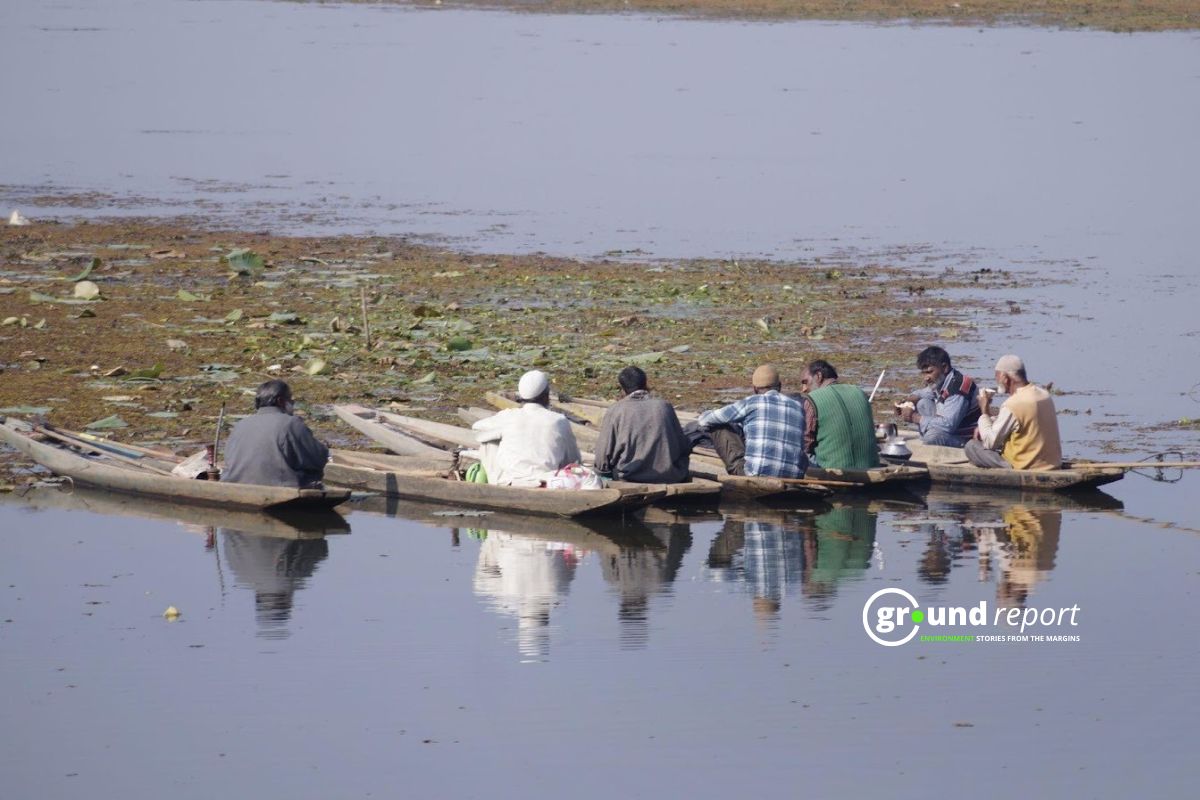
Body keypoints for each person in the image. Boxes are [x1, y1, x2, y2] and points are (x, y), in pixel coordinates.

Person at [471, 370, 582, 487]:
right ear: (546, 395)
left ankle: (495, 484)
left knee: (488, 442)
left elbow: (477, 429)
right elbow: (574, 461)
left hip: (509, 482)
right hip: (546, 481)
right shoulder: (559, 420)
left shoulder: (509, 416)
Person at [693, 364, 807, 478]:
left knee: (718, 426)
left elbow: (706, 419)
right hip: (794, 477)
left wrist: (704, 415)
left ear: (755, 389)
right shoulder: (798, 407)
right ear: (780, 386)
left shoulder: (752, 402)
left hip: (755, 475)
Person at [221, 380, 329, 487]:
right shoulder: (291, 423)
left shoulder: (240, 425)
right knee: (313, 473)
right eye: (290, 400)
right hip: (279, 488)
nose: (292, 403)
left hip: (234, 485)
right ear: (281, 401)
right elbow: (318, 459)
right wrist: (324, 448)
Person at [592, 366, 691, 483]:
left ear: (622, 389)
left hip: (630, 477)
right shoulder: (664, 406)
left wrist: (602, 473)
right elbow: (684, 446)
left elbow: (602, 457)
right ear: (646, 384)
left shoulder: (616, 410)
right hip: (671, 475)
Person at [965, 354, 1063, 470]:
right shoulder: (1044, 395)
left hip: (1024, 466)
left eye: (997, 377)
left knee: (971, 446)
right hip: (1053, 463)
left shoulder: (1012, 404)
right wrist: (988, 421)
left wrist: (984, 412)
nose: (997, 381)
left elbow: (990, 442)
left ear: (1005, 378)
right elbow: (1024, 421)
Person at [800, 359, 879, 470]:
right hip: (869, 466)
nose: (804, 389)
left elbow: (805, 444)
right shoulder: (859, 392)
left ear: (818, 376)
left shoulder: (812, 400)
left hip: (834, 471)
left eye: (805, 382)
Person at [897, 345, 981, 447]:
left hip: (964, 438)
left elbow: (948, 425)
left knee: (932, 438)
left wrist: (915, 417)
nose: (926, 378)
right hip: (949, 429)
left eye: (929, 372)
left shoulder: (957, 390)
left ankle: (930, 440)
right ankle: (929, 438)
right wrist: (907, 403)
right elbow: (922, 393)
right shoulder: (942, 380)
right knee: (922, 403)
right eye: (923, 373)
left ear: (944, 367)